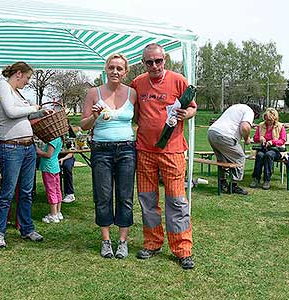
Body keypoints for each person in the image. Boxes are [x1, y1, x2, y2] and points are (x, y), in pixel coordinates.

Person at [131, 43, 197, 270]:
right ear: (143, 63)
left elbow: (192, 108)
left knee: (176, 201)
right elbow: (135, 113)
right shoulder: (137, 83)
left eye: (158, 61)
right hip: (145, 151)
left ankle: (182, 249)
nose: (154, 65)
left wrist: (186, 114)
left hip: (173, 151)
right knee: (147, 200)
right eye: (149, 62)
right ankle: (152, 242)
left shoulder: (179, 80)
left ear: (165, 59)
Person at [81, 53, 137, 259]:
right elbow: (83, 124)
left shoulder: (132, 93)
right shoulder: (93, 93)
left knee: (125, 196)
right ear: (106, 69)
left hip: (127, 149)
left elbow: (139, 119)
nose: (115, 71)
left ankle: (122, 242)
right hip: (101, 149)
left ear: (125, 72)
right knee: (103, 196)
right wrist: (94, 116)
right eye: (111, 67)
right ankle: (106, 241)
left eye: (119, 68)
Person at [0, 61, 45, 248]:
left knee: (26, 191)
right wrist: (33, 108)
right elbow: (11, 112)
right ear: (19, 74)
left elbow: (24, 115)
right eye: (28, 78)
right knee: (7, 192)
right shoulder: (2, 86)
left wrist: (41, 112)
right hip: (11, 147)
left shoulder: (19, 93)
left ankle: (27, 228)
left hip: (28, 147)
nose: (28, 82)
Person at [208, 103, 261, 195]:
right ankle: (234, 185)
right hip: (225, 136)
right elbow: (245, 127)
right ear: (256, 114)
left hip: (212, 132)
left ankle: (222, 182)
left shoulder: (236, 107)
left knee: (222, 160)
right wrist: (246, 139)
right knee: (240, 158)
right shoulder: (249, 111)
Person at [250, 108, 286, 190]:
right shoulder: (260, 125)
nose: (268, 121)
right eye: (266, 119)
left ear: (274, 118)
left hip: (276, 150)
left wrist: (272, 142)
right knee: (259, 155)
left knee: (268, 155)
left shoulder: (280, 126)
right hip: (263, 148)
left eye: (270, 120)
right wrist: (261, 138)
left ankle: (267, 179)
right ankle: (256, 178)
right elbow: (255, 138)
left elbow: (283, 140)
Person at [37, 137, 64, 223]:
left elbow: (48, 154)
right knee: (57, 189)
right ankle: (58, 212)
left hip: (48, 167)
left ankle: (53, 215)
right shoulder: (59, 138)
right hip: (55, 166)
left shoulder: (53, 140)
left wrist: (37, 151)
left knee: (51, 190)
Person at [59, 120, 77, 203]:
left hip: (68, 156)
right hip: (56, 156)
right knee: (55, 169)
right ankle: (57, 193)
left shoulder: (70, 134)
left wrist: (63, 159)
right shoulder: (56, 133)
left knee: (67, 167)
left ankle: (69, 193)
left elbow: (72, 151)